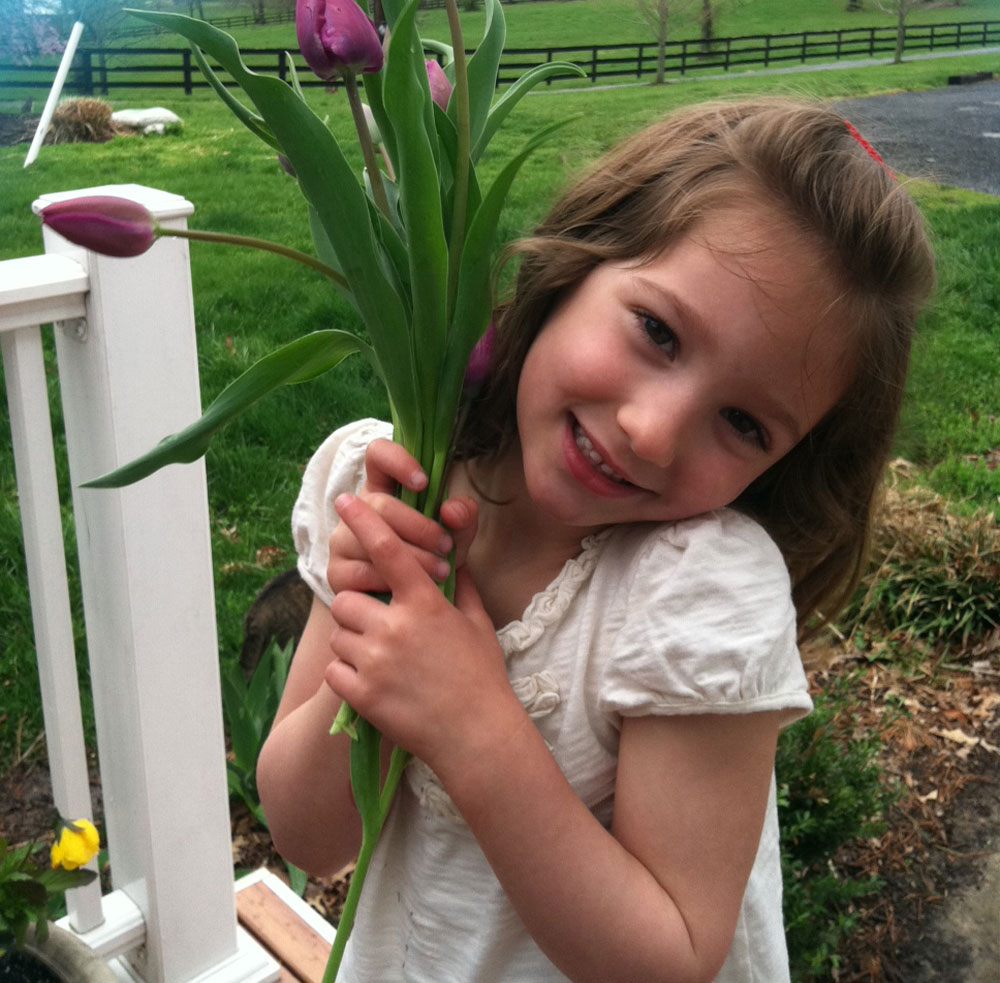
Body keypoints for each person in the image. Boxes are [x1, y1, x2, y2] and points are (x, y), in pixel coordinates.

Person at [257, 97, 934, 983]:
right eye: (658, 331)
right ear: (574, 262)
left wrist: (473, 726)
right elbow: (307, 832)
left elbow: (673, 958)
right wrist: (366, 629)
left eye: (742, 423)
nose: (652, 433)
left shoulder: (695, 588)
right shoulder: (388, 478)